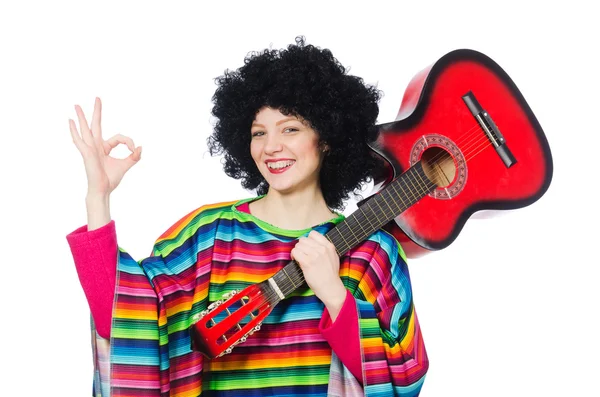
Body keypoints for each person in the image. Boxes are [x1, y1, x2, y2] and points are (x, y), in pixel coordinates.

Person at [66, 36, 429, 397]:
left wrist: (335, 295)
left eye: (290, 128)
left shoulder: (374, 253)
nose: (271, 146)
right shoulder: (209, 236)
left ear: (327, 137)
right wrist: (98, 197)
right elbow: (122, 317)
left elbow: (403, 381)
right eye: (259, 133)